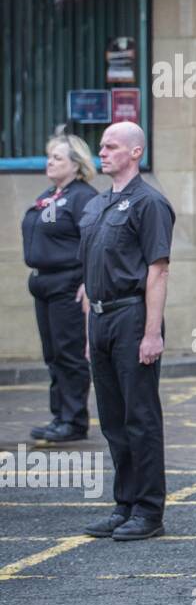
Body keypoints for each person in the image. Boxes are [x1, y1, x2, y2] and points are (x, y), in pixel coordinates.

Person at [79, 122, 175, 542]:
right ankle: (125, 503)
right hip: (100, 319)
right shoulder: (99, 203)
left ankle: (149, 510)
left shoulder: (149, 203)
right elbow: (89, 272)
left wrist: (152, 332)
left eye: (112, 146)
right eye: (101, 146)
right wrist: (89, 330)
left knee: (140, 417)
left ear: (135, 152)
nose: (102, 152)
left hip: (132, 316)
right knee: (113, 420)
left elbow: (158, 270)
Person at [25, 134, 98, 444]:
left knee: (69, 353)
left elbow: (95, 242)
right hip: (43, 282)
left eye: (57, 158)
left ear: (76, 165)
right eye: (49, 156)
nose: (49, 162)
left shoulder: (83, 196)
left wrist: (88, 280)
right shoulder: (48, 196)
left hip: (67, 282)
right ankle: (60, 416)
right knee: (52, 354)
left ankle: (74, 419)